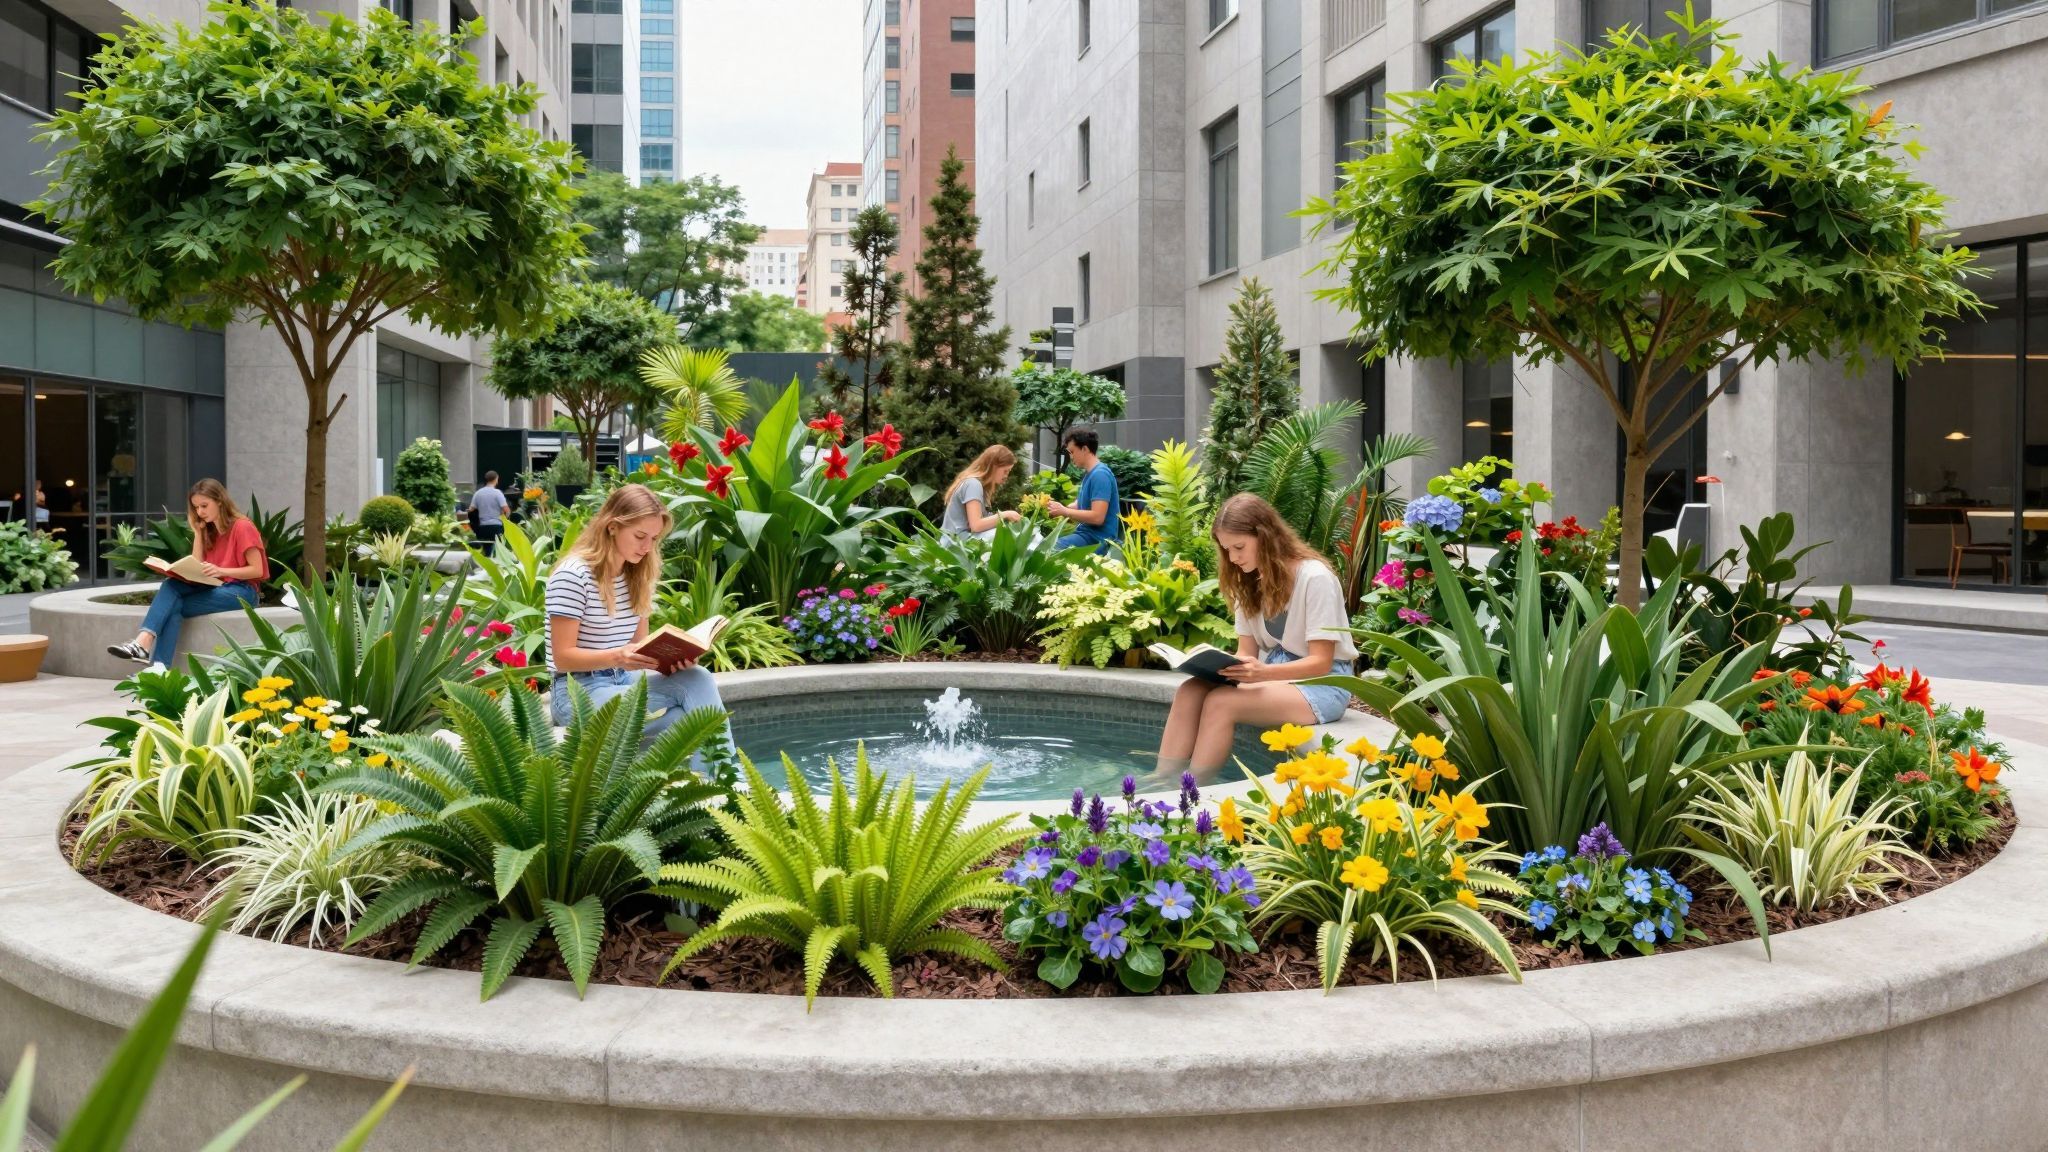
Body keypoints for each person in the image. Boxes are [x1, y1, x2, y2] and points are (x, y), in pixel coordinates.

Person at [1156, 492, 1358, 781]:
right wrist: (1223, 668)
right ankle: (1161, 781)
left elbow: (1321, 662)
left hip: (1324, 684)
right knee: (1190, 690)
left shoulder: (1315, 578)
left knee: (1222, 703)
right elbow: (1246, 653)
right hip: (1278, 674)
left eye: (1239, 547)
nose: (1233, 558)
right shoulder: (1247, 582)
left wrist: (1262, 673)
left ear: (1266, 536)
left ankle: (1191, 792)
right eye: (1226, 550)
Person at [544, 483, 728, 755]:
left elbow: (641, 648)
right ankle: (721, 782)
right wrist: (617, 656)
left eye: (654, 539)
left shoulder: (638, 575)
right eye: (640, 536)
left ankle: (726, 781)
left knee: (698, 678)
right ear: (613, 526)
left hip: (624, 682)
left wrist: (675, 659)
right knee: (688, 724)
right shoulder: (573, 576)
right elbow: (562, 657)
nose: (647, 547)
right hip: (577, 692)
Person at [107, 479, 267, 667]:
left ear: (220, 501)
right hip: (218, 588)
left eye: (204, 506)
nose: (200, 512)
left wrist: (221, 570)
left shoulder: (242, 526)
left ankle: (144, 646)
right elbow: (197, 565)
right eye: (196, 507)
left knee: (171, 603)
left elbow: (258, 570)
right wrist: (198, 534)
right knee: (171, 594)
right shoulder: (209, 530)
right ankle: (157, 666)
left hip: (243, 592)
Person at [1047, 427, 1120, 551]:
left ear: (1085, 449)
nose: (1070, 457)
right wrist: (1054, 508)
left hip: (1097, 539)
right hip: (1087, 535)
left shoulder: (1100, 475)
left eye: (1072, 452)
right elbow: (1082, 505)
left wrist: (1065, 511)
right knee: (1047, 544)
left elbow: (1097, 517)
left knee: (1048, 549)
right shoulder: (1091, 473)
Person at [940, 445, 1023, 540]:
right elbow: (976, 525)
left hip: (961, 540)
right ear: (994, 466)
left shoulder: (979, 485)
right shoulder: (973, 484)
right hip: (956, 544)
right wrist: (1006, 514)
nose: (1006, 475)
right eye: (1005, 471)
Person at [465, 470, 510, 550]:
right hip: (496, 527)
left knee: (486, 550)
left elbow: (471, 510)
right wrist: (505, 521)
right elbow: (506, 510)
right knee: (497, 550)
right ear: (496, 479)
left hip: (483, 528)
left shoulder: (478, 493)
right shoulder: (498, 493)